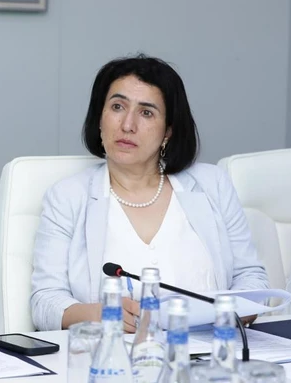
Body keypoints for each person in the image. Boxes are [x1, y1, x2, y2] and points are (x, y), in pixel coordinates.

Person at [30, 54, 268, 333]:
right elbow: (44, 302)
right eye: (117, 107)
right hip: (113, 352)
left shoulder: (212, 184)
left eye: (146, 113)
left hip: (208, 349)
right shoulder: (67, 196)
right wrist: (99, 314)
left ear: (168, 131)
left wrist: (238, 309)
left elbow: (251, 277)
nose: (127, 125)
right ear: (99, 118)